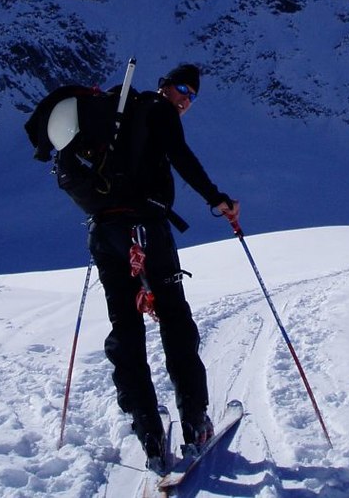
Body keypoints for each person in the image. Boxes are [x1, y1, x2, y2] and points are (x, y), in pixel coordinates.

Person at [87, 63, 239, 471]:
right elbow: (182, 158)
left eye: (192, 96)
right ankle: (194, 422)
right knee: (174, 319)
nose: (186, 99)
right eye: (183, 89)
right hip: (147, 230)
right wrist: (216, 198)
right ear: (165, 86)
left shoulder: (117, 116)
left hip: (106, 232)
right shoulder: (158, 109)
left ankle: (149, 433)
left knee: (126, 328)